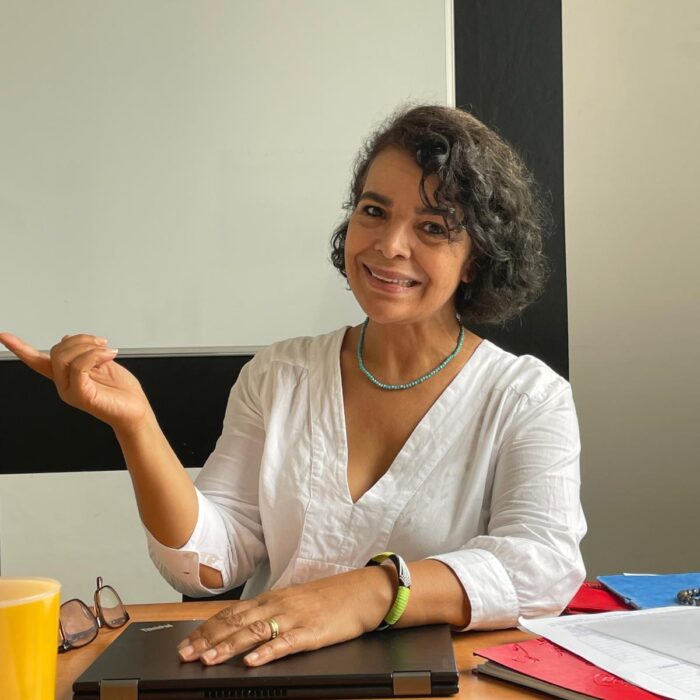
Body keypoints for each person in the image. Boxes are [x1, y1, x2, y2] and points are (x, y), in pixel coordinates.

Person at [0, 104, 585, 668]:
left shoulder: (527, 399)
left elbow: (543, 567)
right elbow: (208, 566)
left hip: (439, 686)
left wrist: (366, 594)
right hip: (268, 676)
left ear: (477, 257)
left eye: (432, 227)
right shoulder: (278, 375)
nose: (389, 245)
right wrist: (135, 424)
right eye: (373, 211)